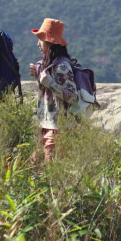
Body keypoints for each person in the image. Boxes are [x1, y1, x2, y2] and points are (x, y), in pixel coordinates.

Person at [29, 18, 79, 163]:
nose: (38, 43)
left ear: (50, 42)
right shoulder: (46, 63)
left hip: (58, 127)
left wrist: (49, 82)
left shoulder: (62, 66)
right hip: (45, 125)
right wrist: (38, 77)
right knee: (35, 165)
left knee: (49, 168)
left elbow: (73, 97)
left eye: (41, 39)